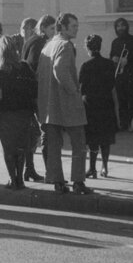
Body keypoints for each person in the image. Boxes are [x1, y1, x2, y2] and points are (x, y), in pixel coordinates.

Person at [37, 12, 92, 195]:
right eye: (74, 26)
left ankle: (58, 182)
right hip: (66, 103)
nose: (77, 29)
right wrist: (74, 90)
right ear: (64, 27)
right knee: (79, 143)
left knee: (53, 146)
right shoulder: (66, 45)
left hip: (48, 105)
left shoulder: (48, 45)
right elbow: (59, 70)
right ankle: (78, 181)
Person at [0, 35, 38, 189]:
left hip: (4, 113)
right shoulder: (24, 67)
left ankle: (12, 178)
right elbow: (34, 89)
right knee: (21, 146)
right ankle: (21, 179)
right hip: (24, 112)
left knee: (7, 147)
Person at [21, 14, 55, 182]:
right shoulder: (40, 42)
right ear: (43, 29)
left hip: (28, 93)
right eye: (52, 28)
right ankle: (49, 171)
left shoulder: (30, 40)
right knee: (45, 131)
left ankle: (30, 169)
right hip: (36, 93)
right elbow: (32, 65)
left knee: (32, 133)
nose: (54, 32)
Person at [79, 34, 118, 178]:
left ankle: (92, 168)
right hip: (106, 103)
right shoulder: (109, 64)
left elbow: (82, 88)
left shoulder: (86, 66)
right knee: (106, 138)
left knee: (93, 139)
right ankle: (105, 167)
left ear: (88, 48)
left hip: (91, 105)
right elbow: (112, 85)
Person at [109, 17, 133, 133]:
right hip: (119, 75)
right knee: (121, 100)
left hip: (131, 74)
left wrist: (128, 60)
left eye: (123, 25)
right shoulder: (115, 42)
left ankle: (132, 124)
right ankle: (123, 124)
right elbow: (111, 56)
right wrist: (114, 59)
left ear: (127, 27)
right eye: (118, 26)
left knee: (132, 100)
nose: (121, 28)